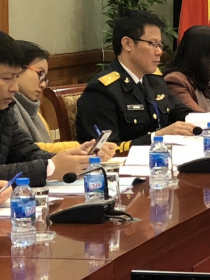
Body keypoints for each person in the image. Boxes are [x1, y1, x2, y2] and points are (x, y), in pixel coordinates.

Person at [75, 11, 197, 153]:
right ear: (127, 44)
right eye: (152, 44)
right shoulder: (102, 90)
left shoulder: (154, 80)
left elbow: (181, 113)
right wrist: (157, 137)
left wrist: (207, 120)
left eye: (160, 45)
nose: (159, 52)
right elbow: (103, 150)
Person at [0, 31, 98, 186]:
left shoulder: (5, 110)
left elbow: (26, 152)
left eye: (16, 77)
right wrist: (49, 168)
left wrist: (73, 158)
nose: (15, 87)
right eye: (6, 78)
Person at [9, 41, 116, 155]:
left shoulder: (33, 109)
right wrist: (80, 148)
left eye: (45, 78)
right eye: (40, 74)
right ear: (16, 69)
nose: (43, 84)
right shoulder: (7, 106)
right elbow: (22, 151)